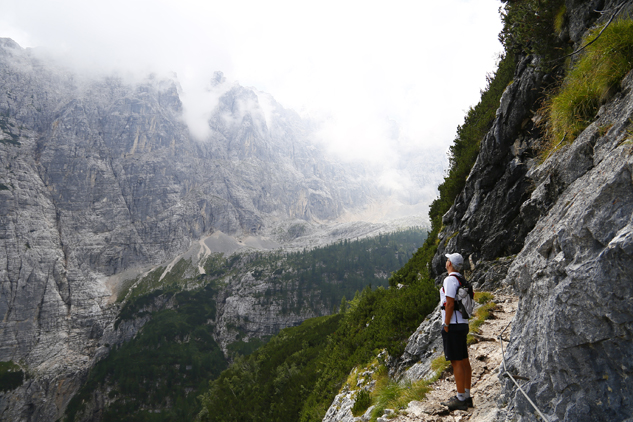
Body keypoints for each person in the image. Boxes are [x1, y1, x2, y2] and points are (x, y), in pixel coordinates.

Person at [440, 252, 473, 411]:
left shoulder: (449, 280)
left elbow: (450, 304)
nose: (446, 261)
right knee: (464, 359)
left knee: (456, 361)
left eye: (448, 259)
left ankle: (460, 399)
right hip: (463, 323)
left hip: (453, 325)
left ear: (450, 264)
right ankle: (467, 396)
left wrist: (446, 325)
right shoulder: (462, 279)